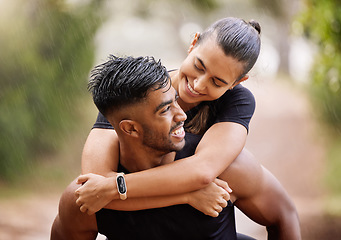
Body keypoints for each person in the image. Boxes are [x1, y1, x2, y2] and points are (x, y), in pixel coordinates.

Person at [51, 55, 300, 240]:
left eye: (176, 102)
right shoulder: (88, 198)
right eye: (165, 110)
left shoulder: (226, 170)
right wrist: (188, 195)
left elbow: (284, 215)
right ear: (131, 129)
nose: (182, 115)